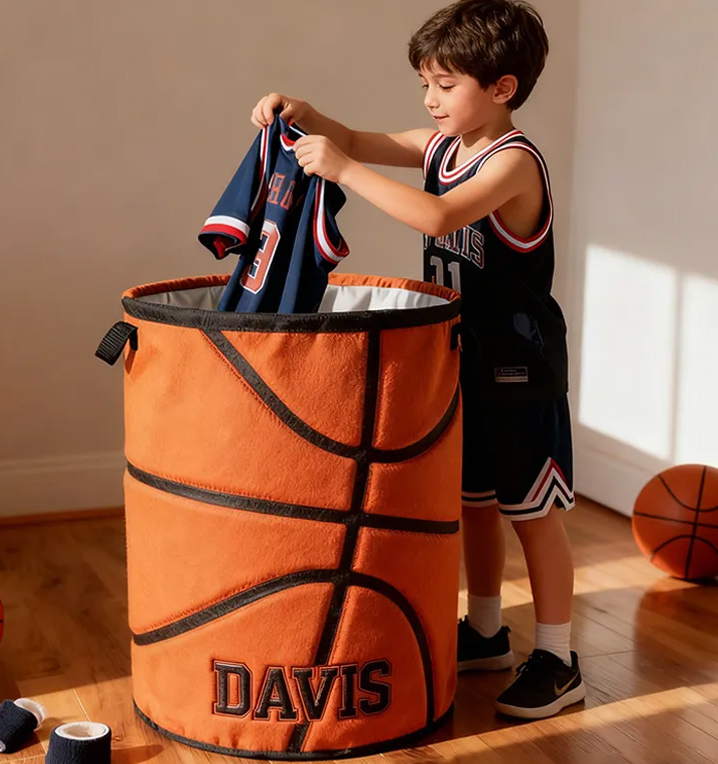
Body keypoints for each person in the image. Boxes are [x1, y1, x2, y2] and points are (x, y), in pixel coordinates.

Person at [250, 0, 585, 719]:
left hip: (520, 368)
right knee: (475, 505)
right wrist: (303, 113)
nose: (431, 99)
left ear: (502, 87)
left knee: (532, 513)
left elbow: (436, 217)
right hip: (461, 360)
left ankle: (559, 654)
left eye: (446, 84)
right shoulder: (441, 147)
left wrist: (339, 169)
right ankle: (488, 630)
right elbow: (349, 136)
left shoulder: (513, 162)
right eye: (424, 84)